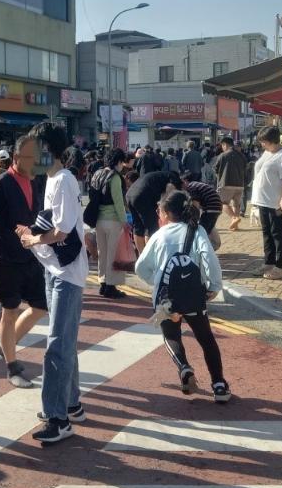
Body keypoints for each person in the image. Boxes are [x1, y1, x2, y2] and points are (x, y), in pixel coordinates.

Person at [19, 123, 87, 444]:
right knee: (63, 340)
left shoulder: (63, 180)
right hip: (54, 268)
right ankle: (71, 404)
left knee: (56, 346)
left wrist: (33, 239)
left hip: (66, 274)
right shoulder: (52, 179)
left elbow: (61, 230)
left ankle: (57, 418)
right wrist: (33, 236)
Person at [136, 190, 230, 403]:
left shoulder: (159, 235)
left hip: (166, 299)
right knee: (206, 339)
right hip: (194, 296)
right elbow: (209, 258)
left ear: (167, 213)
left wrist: (157, 280)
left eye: (160, 211)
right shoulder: (197, 231)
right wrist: (213, 286)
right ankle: (219, 385)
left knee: (171, 335)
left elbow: (140, 267)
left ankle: (184, 367)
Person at [0, 134, 47, 388]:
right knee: (10, 309)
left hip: (30, 254)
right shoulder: (0, 184)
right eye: (30, 157)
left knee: (40, 306)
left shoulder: (36, 181)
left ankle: (7, 344)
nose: (35, 161)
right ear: (16, 158)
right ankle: (12, 367)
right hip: (5, 257)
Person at [250, 126, 282, 280]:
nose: (262, 144)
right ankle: (269, 262)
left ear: (272, 141)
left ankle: (281, 266)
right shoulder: (267, 153)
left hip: (274, 200)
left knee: (278, 233)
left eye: (264, 142)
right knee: (266, 233)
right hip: (262, 199)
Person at [91, 148, 129, 299]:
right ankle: (111, 286)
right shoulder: (115, 178)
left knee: (103, 253)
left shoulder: (97, 173)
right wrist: (124, 221)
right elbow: (119, 202)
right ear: (118, 162)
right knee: (113, 254)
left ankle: (102, 283)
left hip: (98, 219)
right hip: (113, 220)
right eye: (122, 162)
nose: (122, 165)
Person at [125, 169, 182, 251]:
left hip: (129, 195)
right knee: (151, 227)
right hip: (143, 195)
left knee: (138, 227)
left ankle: (141, 257)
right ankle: (151, 256)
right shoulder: (173, 178)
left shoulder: (159, 175)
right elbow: (170, 197)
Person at [215, 137, 247, 230]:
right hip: (240, 184)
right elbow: (246, 168)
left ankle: (234, 218)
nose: (222, 148)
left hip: (226, 182)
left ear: (225, 144)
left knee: (222, 203)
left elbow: (216, 169)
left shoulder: (223, 155)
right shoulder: (241, 155)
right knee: (236, 204)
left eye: (222, 146)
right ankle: (235, 226)